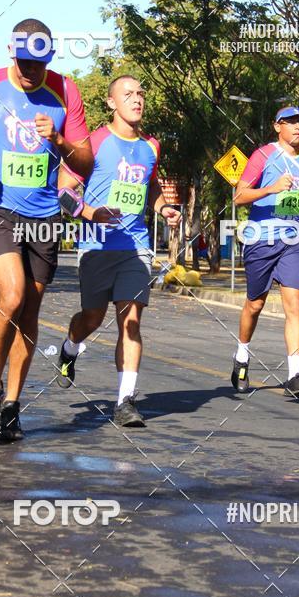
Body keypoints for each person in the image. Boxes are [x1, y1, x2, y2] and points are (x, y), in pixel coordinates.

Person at [0, 17, 93, 441]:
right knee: (11, 295)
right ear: (11, 52)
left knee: (30, 310)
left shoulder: (65, 90)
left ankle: (12, 405)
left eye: (39, 63)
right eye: (25, 61)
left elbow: (85, 162)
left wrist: (60, 142)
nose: (31, 70)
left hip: (45, 217)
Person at [57, 74, 181, 426]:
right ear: (111, 102)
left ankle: (125, 401)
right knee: (92, 318)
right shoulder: (93, 143)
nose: (137, 99)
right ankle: (69, 348)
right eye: (128, 94)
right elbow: (63, 192)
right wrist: (89, 213)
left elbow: (150, 185)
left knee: (131, 320)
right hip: (97, 246)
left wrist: (162, 208)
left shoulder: (151, 146)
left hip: (136, 246)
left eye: (141, 93)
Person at [231, 107, 299, 398]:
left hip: (293, 241)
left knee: (294, 306)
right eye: (291, 122)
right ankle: (241, 356)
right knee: (255, 305)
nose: (298, 127)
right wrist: (271, 188)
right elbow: (239, 196)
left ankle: (294, 375)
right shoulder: (263, 155)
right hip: (261, 239)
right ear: (277, 126)